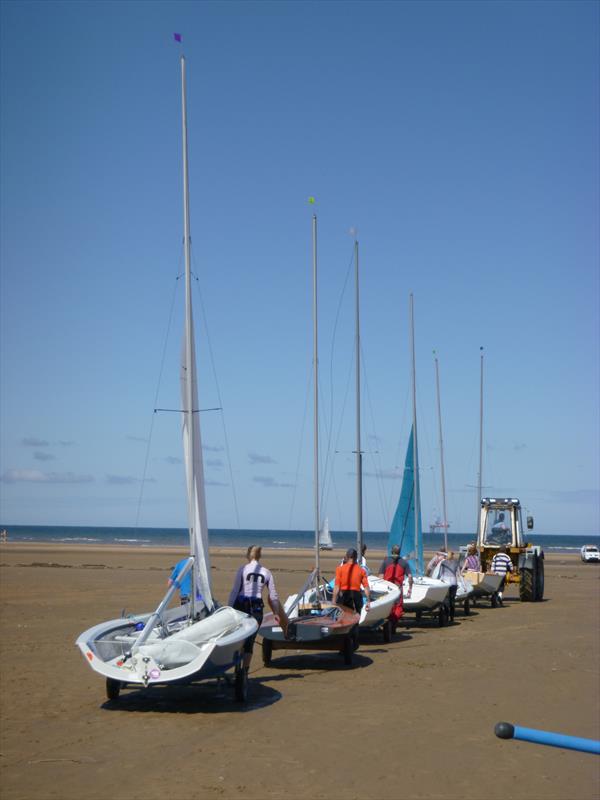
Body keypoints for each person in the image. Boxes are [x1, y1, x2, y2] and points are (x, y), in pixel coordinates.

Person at [228, 545, 286, 671]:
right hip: (256, 607)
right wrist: (276, 612)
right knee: (250, 640)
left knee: (238, 637)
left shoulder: (243, 569)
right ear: (259, 556)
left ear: (248, 555)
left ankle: (238, 667)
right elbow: (273, 595)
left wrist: (229, 608)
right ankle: (245, 671)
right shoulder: (266, 572)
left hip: (241, 605)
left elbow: (235, 591)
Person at [378, 544, 412, 630]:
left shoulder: (385, 562)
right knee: (398, 606)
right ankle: (393, 624)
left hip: (388, 588)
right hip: (398, 588)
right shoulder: (404, 563)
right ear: (399, 552)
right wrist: (410, 589)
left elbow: (381, 577)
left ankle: (389, 623)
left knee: (388, 606)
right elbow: (410, 577)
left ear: (392, 551)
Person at [333, 548, 371, 614]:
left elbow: (337, 586)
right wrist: (368, 601)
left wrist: (333, 600)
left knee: (343, 614)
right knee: (357, 615)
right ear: (356, 557)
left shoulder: (339, 569)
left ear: (347, 557)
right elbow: (366, 587)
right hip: (356, 596)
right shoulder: (361, 570)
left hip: (344, 596)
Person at [436, 551, 460, 621]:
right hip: (453, 582)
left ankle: (446, 614)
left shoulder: (443, 563)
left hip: (445, 582)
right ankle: (452, 617)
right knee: (452, 600)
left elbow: (440, 574)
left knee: (445, 599)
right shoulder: (456, 563)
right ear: (453, 556)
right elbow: (458, 574)